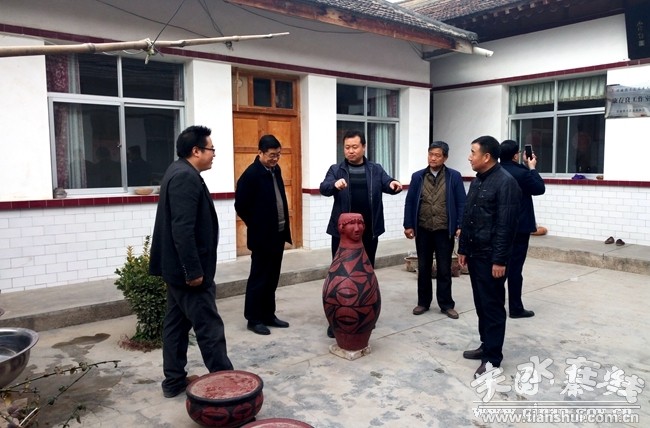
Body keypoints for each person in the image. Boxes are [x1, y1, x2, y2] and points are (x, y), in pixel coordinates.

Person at [149, 125, 233, 398]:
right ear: (196, 151)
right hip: (188, 274)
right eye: (211, 149)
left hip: (177, 270)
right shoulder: (185, 177)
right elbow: (182, 229)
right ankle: (227, 385)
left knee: (176, 325)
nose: (214, 154)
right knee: (209, 327)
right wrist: (193, 271)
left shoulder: (179, 171)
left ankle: (174, 381)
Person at [320, 129, 402, 337]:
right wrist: (334, 185)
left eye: (354, 147)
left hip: (368, 231)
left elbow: (388, 183)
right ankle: (337, 320)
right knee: (340, 275)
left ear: (363, 147)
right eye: (347, 147)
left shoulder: (375, 169)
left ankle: (365, 316)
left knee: (366, 274)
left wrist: (393, 185)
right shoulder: (336, 169)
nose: (350, 151)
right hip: (342, 234)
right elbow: (324, 188)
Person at [457, 135, 521, 379]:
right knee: (481, 304)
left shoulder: (506, 183)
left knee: (493, 307)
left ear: (486, 157)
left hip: (491, 258)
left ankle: (493, 359)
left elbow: (506, 225)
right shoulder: (478, 181)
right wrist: (463, 249)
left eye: (473, 152)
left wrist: (500, 260)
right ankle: (486, 345)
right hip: (475, 254)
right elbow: (468, 217)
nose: (469, 157)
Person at [235, 135, 292, 336]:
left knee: (272, 278)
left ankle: (268, 315)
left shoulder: (276, 170)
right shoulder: (251, 175)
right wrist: (257, 224)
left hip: (278, 234)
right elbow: (240, 205)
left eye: (278, 155)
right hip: (262, 237)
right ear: (260, 152)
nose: (275, 158)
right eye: (271, 155)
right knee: (259, 278)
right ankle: (253, 318)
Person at [403, 140, 466, 319]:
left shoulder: (454, 176)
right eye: (431, 154)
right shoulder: (418, 176)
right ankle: (423, 302)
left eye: (437, 155)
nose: (433, 158)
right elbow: (410, 201)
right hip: (423, 228)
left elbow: (462, 203)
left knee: (444, 268)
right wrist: (408, 224)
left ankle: (446, 304)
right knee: (423, 268)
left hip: (444, 230)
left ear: (445, 157)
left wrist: (460, 225)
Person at [499, 139, 546, 318]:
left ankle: (497, 306)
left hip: (500, 227)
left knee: (498, 266)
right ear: (515, 155)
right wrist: (532, 167)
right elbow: (539, 188)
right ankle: (516, 308)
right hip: (519, 227)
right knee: (515, 269)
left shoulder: (495, 171)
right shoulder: (522, 173)